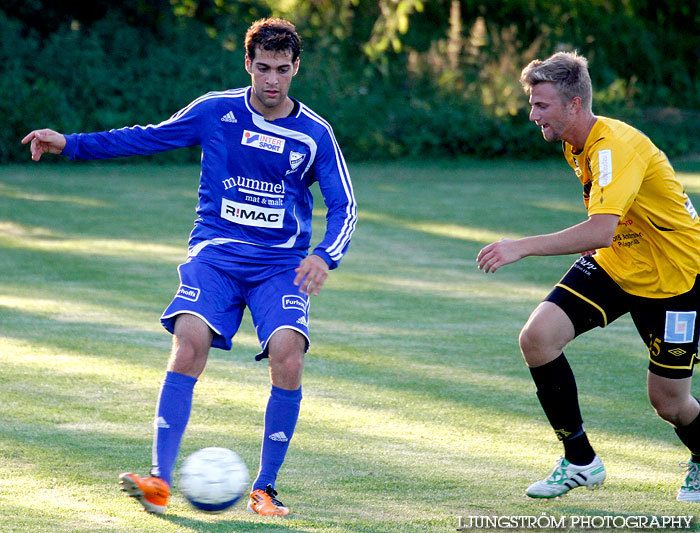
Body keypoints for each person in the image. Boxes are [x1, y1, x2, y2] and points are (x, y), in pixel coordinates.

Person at [22, 17, 357, 516]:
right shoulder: (215, 111)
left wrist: (323, 255)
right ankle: (157, 480)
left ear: (296, 69)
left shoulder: (314, 133)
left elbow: (344, 205)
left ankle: (264, 489)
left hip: (279, 266)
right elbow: (147, 137)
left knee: (289, 354)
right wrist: (70, 143)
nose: (271, 80)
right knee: (190, 342)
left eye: (282, 70)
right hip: (216, 255)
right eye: (262, 68)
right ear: (247, 63)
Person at [476, 51, 700, 501]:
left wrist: (520, 246)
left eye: (542, 105)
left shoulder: (614, 146)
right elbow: (609, 227)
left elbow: (601, 227)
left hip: (675, 276)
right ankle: (580, 460)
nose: (533, 113)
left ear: (574, 105)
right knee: (537, 337)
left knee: (669, 403)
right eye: (532, 103)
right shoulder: (573, 143)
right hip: (616, 261)